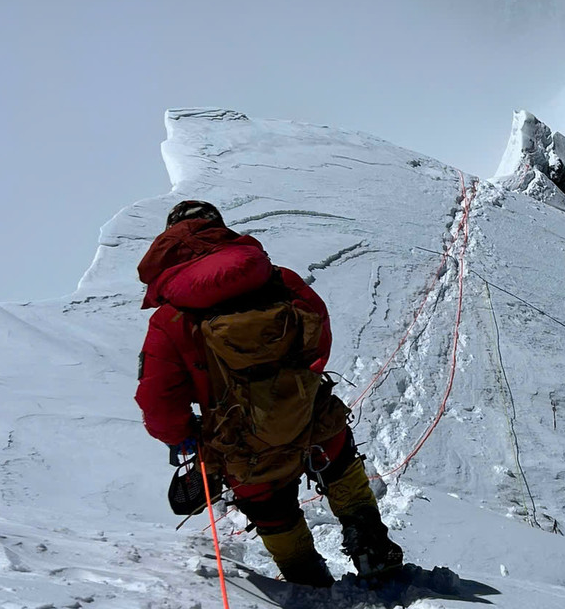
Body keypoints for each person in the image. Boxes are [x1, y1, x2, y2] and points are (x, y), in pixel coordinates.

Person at [135, 198, 403, 589]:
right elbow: (318, 334)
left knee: (271, 510)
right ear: (220, 230)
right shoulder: (277, 279)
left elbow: (157, 400)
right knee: (342, 471)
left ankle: (306, 582)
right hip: (311, 414)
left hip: (239, 444)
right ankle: (371, 547)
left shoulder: (170, 318)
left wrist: (184, 434)